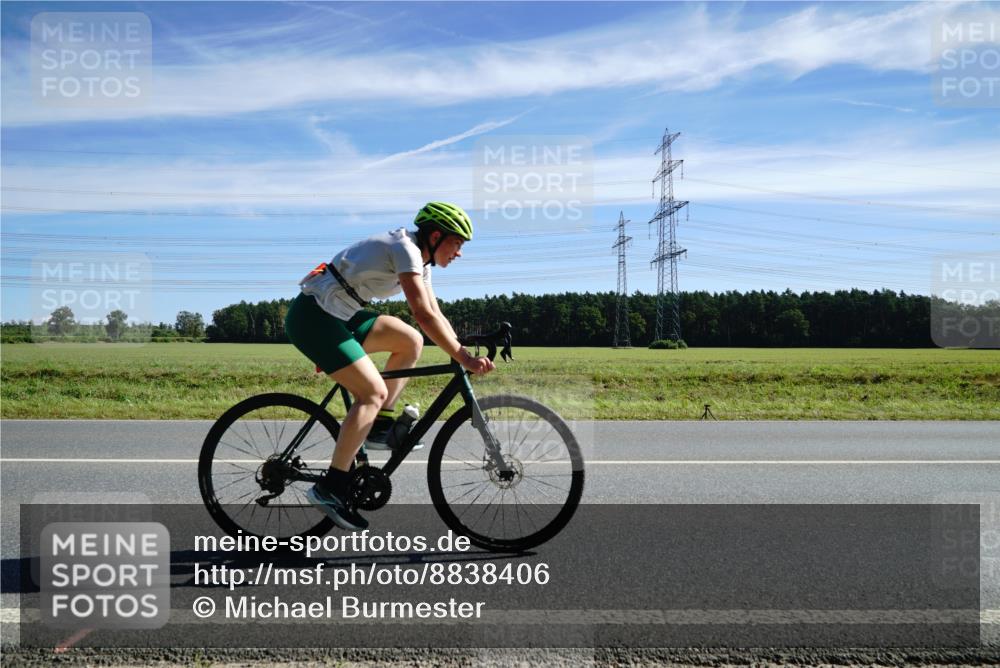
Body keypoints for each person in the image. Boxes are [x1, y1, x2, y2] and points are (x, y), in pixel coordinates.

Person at [284, 202, 495, 531]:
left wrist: (461, 348)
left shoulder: (421, 262)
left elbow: (434, 313)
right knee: (372, 393)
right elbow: (421, 313)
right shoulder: (405, 249)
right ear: (436, 237)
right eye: (457, 243)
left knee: (411, 341)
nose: (459, 253)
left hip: (343, 315)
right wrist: (464, 359)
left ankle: (379, 428)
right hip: (314, 317)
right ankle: (331, 487)